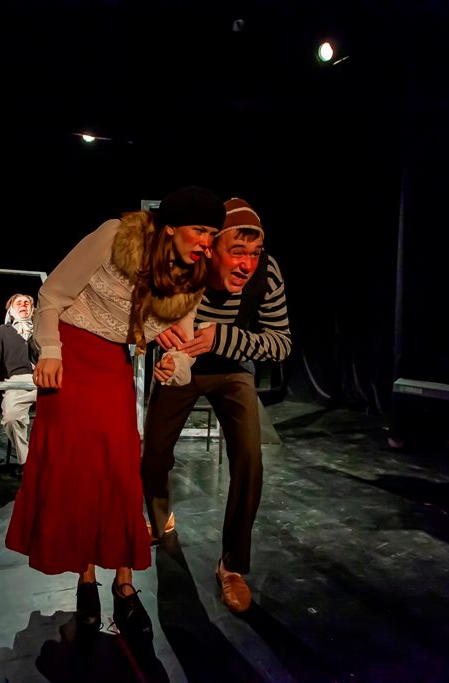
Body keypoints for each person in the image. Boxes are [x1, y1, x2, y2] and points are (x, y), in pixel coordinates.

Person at [5, 186, 225, 641]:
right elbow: (51, 295)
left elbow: (183, 349)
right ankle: (86, 580)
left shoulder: (192, 279)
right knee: (78, 473)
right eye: (200, 231)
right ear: (171, 227)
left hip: (111, 365)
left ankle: (125, 585)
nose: (207, 243)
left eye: (213, 235)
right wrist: (50, 350)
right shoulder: (114, 236)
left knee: (120, 469)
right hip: (69, 355)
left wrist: (175, 365)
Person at [141, 197, 291, 613]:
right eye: (237, 251)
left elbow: (281, 343)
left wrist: (220, 338)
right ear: (211, 250)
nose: (247, 264)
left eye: (255, 253)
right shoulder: (183, 265)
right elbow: (143, 309)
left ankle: (232, 565)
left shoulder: (267, 274)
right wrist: (158, 337)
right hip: (181, 365)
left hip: (232, 367)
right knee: (153, 455)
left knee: (250, 460)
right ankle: (160, 520)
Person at [0, 293, 39, 469]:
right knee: (11, 418)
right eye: (18, 303)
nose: (24, 305)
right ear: (11, 310)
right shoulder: (2, 331)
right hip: (17, 381)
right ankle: (27, 461)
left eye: (27, 303)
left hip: (43, 380)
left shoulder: (41, 330)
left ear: (33, 309)